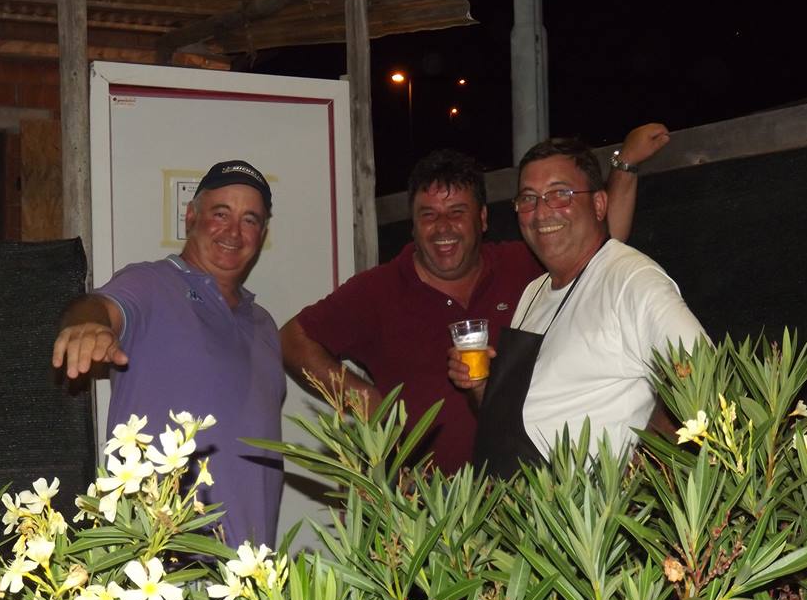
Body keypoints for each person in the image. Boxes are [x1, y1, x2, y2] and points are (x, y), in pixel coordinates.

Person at [281, 124, 670, 473]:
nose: (443, 227)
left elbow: (598, 242)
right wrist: (367, 401)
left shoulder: (525, 266)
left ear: (482, 219)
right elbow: (292, 339)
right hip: (424, 505)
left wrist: (624, 164)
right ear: (413, 226)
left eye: (457, 212)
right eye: (428, 215)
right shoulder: (377, 290)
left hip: (521, 495)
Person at [52, 160, 284, 546]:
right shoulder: (151, 283)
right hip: (160, 556)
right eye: (220, 213)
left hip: (249, 566)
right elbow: (98, 306)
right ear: (192, 216)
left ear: (261, 234)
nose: (233, 231)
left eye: (250, 220)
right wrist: (87, 325)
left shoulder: (264, 325)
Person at [449, 138, 706, 478]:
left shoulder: (632, 280)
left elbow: (703, 380)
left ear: (599, 204)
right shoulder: (534, 292)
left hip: (581, 509)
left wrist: (648, 477)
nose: (541, 212)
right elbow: (511, 421)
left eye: (560, 194)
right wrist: (481, 386)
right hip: (514, 505)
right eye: (528, 198)